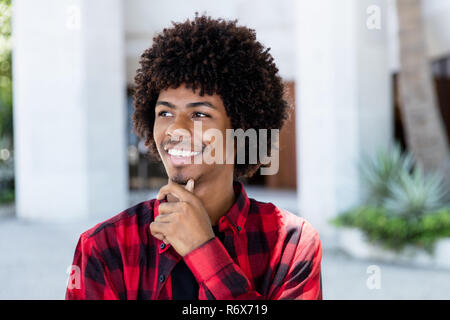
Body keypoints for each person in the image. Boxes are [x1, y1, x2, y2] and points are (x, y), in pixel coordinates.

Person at [65, 13, 322, 300]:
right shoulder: (104, 247)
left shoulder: (292, 243)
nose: (175, 129)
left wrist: (203, 248)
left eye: (199, 114)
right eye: (165, 113)